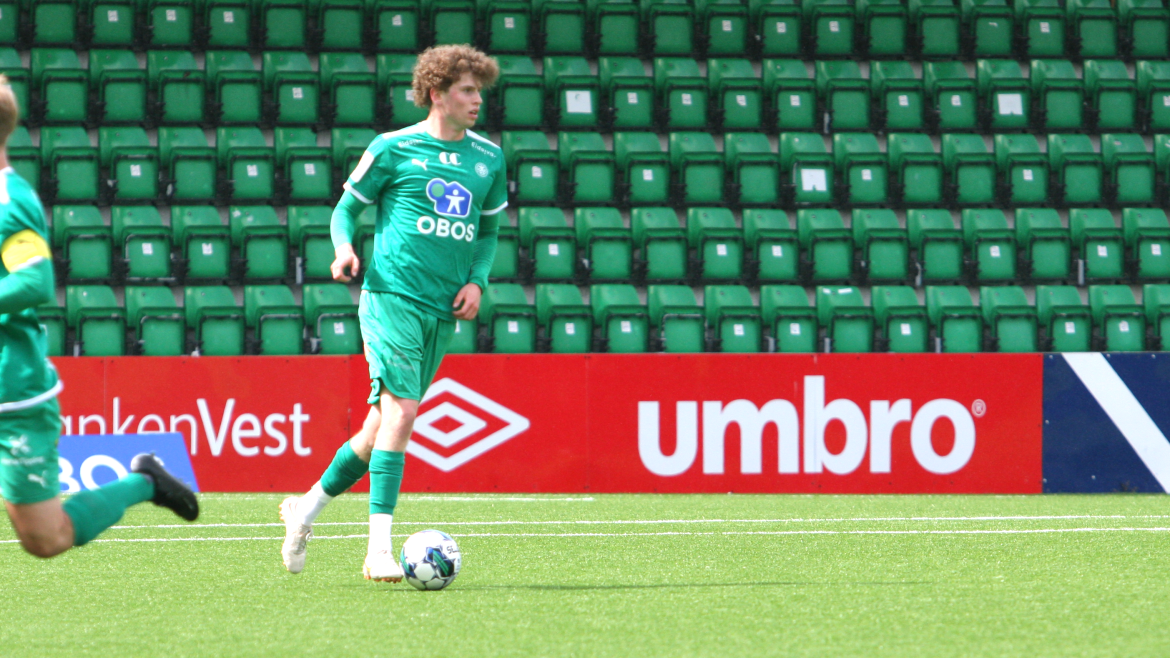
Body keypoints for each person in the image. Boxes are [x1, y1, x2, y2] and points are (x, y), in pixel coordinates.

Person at [280, 45, 503, 582]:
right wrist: (343, 248)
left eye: (479, 91)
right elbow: (345, 210)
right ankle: (378, 550)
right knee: (403, 413)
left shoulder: (488, 158)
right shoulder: (392, 147)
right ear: (437, 93)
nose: (477, 100)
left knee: (377, 428)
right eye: (467, 90)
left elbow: (489, 231)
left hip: (441, 309)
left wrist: (477, 280)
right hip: (391, 296)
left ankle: (303, 511)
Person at [0, 76, 198, 557]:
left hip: (13, 394)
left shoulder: (9, 201)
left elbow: (34, 281)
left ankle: (144, 482)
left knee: (46, 539)